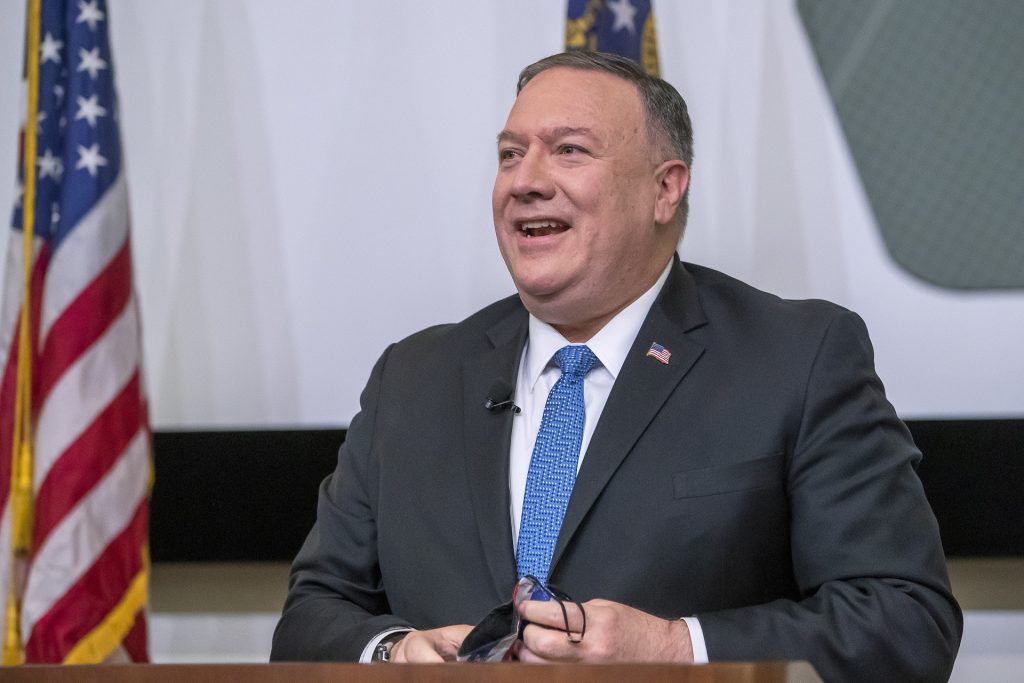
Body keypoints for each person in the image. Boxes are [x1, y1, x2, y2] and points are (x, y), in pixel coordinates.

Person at [271, 51, 962, 681]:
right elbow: (311, 615)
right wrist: (393, 651)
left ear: (665, 189)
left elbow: (904, 621)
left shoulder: (798, 356)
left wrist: (672, 647)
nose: (525, 182)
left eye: (569, 151)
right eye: (510, 154)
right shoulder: (412, 377)